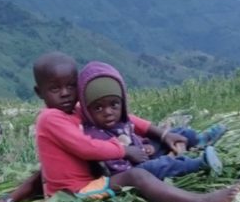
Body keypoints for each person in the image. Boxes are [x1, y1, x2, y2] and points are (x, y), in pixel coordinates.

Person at [32, 51, 240, 202]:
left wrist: (162, 134)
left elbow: (127, 118)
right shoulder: (50, 118)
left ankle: (197, 140)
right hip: (76, 191)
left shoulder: (77, 109)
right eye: (55, 88)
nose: (65, 93)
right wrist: (125, 150)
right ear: (39, 92)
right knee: (137, 176)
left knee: (163, 139)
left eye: (70, 85)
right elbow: (85, 147)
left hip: (99, 171)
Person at [78, 60, 227, 180]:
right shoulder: (95, 135)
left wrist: (144, 146)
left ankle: (197, 140)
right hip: (131, 172)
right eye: (98, 108)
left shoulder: (121, 120)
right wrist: (142, 159)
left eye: (114, 104)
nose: (108, 112)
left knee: (177, 133)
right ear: (87, 109)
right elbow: (118, 168)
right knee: (161, 166)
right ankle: (198, 164)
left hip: (141, 153)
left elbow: (131, 137)